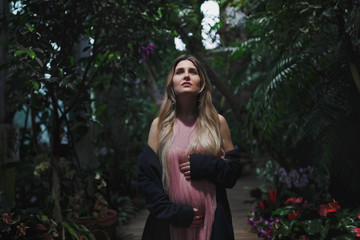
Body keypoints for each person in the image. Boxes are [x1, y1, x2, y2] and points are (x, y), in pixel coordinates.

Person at [136, 54, 242, 240]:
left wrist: (205, 165)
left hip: (211, 220)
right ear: (172, 84)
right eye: (179, 72)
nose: (186, 76)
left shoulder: (218, 122)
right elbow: (147, 180)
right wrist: (176, 214)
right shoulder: (159, 125)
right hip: (170, 223)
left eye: (192, 72)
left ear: (201, 83)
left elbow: (233, 172)